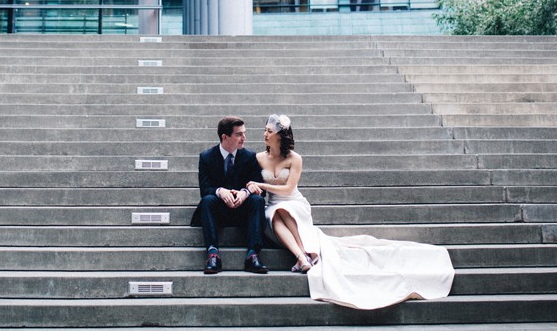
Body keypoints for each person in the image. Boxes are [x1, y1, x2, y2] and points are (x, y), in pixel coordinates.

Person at [245, 114, 455, 310]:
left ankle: (302, 256)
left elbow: (289, 189)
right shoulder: (258, 158)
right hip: (273, 206)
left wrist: (262, 186)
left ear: (280, 135)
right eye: (265, 130)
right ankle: (302, 256)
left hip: (294, 203)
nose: (265, 135)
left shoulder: (295, 158)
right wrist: (252, 187)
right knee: (276, 213)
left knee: (284, 210)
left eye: (269, 131)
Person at [191, 115, 269, 274]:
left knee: (257, 200)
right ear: (224, 137)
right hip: (219, 211)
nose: (244, 138)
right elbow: (204, 188)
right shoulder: (206, 157)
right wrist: (220, 191)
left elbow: (262, 189)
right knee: (207, 200)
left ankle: (253, 255)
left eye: (244, 133)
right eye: (239, 134)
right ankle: (213, 254)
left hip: (243, 211)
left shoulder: (249, 156)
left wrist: (245, 192)